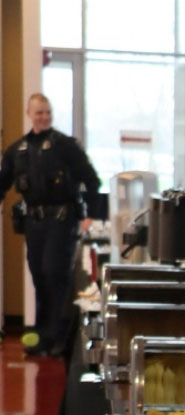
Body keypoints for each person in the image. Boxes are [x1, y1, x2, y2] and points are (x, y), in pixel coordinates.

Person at [0, 93, 101, 358]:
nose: (44, 117)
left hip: (63, 220)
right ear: (28, 113)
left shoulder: (65, 146)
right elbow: (3, 182)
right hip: (34, 224)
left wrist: (92, 215)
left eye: (47, 112)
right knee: (39, 275)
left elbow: (92, 180)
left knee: (54, 273)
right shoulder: (17, 150)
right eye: (39, 112)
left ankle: (58, 337)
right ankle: (43, 336)